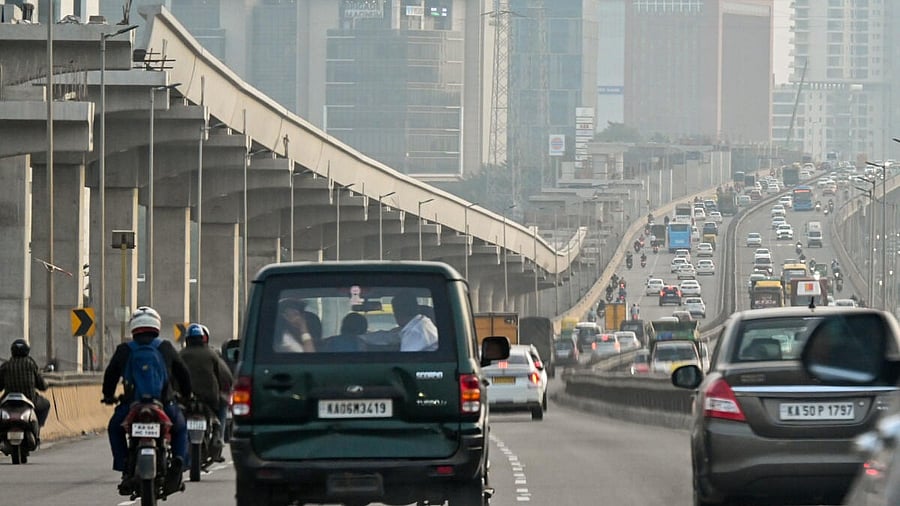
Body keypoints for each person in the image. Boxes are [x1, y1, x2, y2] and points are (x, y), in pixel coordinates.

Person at [102, 306, 192, 495]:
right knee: (181, 428)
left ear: (133, 326)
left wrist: (108, 395)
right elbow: (183, 373)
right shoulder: (165, 347)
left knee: (114, 428)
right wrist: (186, 394)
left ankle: (125, 466)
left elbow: (110, 375)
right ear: (156, 325)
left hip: (131, 405)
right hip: (164, 404)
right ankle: (178, 460)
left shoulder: (124, 349)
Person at [179, 323, 233, 462]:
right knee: (223, 406)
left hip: (186, 398)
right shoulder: (212, 354)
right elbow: (226, 376)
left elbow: (172, 375)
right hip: (210, 398)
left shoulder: (181, 355)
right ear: (204, 338)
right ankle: (218, 438)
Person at [0, 339, 51, 444]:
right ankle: (38, 428)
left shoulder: (6, 365)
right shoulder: (31, 364)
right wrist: (46, 384)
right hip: (30, 399)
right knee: (46, 404)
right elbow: (41, 384)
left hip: (8, 401)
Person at [360, 292, 439, 352]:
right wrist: (362, 337)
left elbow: (406, 361)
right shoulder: (416, 324)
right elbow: (388, 337)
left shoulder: (416, 331)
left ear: (398, 313)